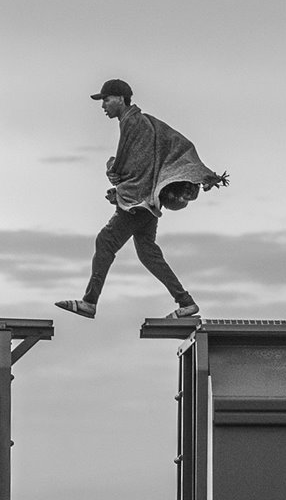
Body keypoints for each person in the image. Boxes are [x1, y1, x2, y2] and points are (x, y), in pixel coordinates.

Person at [55, 79, 228, 320]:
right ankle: (186, 303)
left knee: (105, 241)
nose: (103, 105)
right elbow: (137, 167)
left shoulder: (134, 123)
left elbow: (141, 168)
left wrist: (119, 184)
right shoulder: (133, 122)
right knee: (148, 253)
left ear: (120, 99)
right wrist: (119, 178)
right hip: (146, 202)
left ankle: (89, 302)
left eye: (106, 99)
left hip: (138, 203)